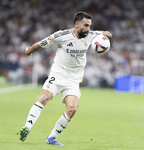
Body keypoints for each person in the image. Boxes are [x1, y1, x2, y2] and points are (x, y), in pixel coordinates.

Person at [19, 11, 112, 146]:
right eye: (86, 25)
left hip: (74, 80)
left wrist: (103, 35)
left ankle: (51, 137)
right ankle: (27, 127)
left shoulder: (91, 35)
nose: (88, 29)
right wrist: (29, 51)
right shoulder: (62, 35)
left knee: (72, 109)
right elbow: (41, 43)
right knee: (44, 97)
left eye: (90, 26)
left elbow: (108, 33)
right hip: (58, 75)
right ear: (76, 24)